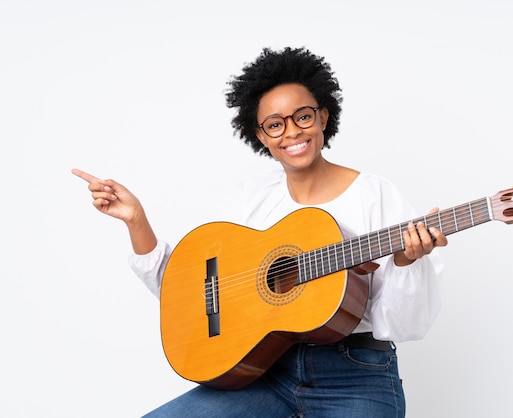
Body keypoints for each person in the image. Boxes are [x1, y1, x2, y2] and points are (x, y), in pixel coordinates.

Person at [72, 46, 448, 417]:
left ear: (323, 117)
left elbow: (405, 326)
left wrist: (404, 262)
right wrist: (137, 221)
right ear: (261, 135)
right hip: (265, 372)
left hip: (355, 374)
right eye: (275, 124)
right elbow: (191, 294)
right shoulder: (252, 200)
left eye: (302, 116)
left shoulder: (375, 194)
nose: (291, 132)